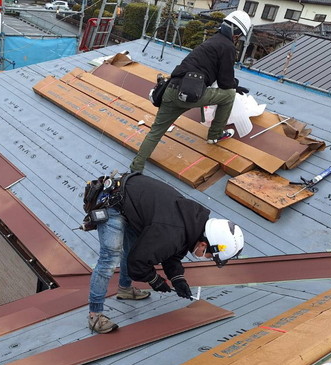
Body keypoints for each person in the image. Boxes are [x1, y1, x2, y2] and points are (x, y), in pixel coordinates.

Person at [88, 173, 244, 334]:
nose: (207, 258)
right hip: (113, 201)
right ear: (204, 244)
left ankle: (125, 289)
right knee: (110, 257)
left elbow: (172, 252)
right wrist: (155, 280)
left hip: (132, 202)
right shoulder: (171, 232)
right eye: (210, 256)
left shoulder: (193, 223)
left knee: (134, 247)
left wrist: (178, 279)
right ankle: (95, 315)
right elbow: (137, 264)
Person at [130, 11, 253, 173]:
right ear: (235, 32)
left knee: (156, 132)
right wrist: (234, 86)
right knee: (229, 95)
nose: (237, 39)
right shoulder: (228, 47)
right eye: (239, 36)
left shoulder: (211, 42)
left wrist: (229, 82)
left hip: (170, 91)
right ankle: (214, 135)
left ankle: (136, 166)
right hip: (190, 94)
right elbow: (225, 83)